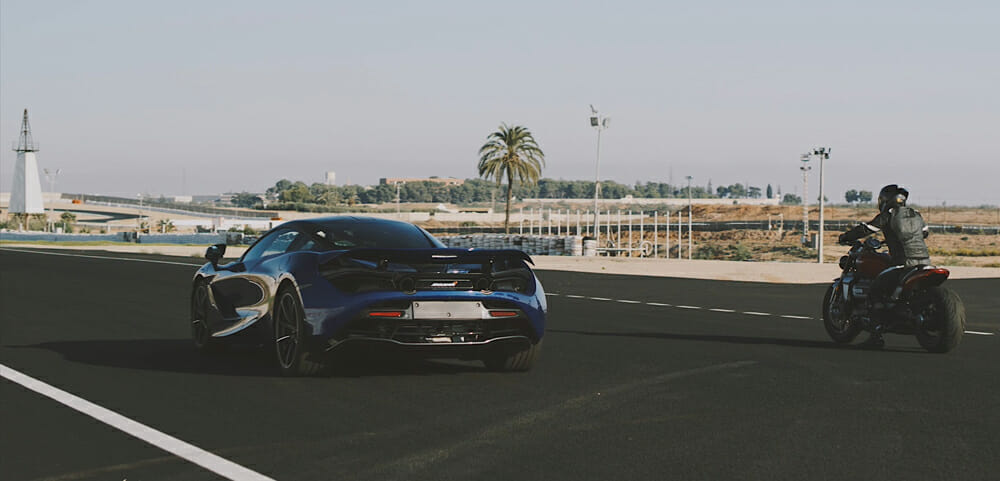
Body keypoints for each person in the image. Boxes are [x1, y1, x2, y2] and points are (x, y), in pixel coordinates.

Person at [838, 184, 930, 348]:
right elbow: (924, 233)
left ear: (884, 200)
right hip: (923, 262)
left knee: (875, 293)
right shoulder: (916, 215)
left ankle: (875, 337)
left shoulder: (887, 215)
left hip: (901, 264)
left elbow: (866, 229)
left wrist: (846, 236)